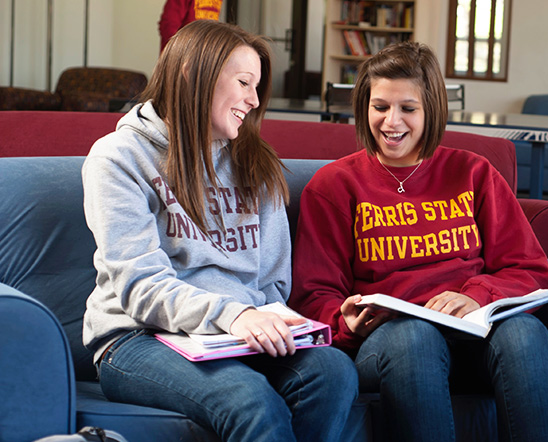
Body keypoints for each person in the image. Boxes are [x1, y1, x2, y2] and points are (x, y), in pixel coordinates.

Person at [81, 20, 357, 442]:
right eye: (245, 82)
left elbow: (272, 282)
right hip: (138, 339)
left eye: (256, 86)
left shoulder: (255, 162)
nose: (254, 99)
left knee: (333, 371)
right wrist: (234, 315)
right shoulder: (119, 157)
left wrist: (267, 321)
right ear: (193, 72)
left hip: (236, 338)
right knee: (248, 398)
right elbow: (140, 286)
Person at [289, 41, 548, 442]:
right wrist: (344, 322)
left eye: (408, 109)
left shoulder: (473, 173)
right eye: (380, 106)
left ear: (431, 109)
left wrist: (477, 294)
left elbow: (529, 269)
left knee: (525, 332)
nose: (391, 121)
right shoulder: (333, 187)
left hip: (473, 334)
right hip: (392, 345)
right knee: (413, 337)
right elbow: (313, 295)